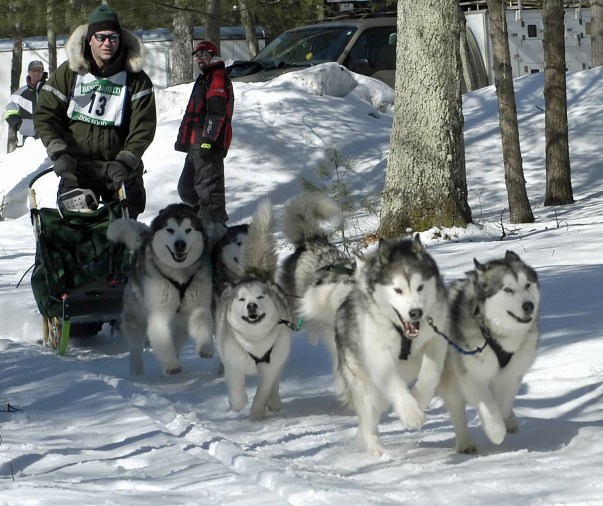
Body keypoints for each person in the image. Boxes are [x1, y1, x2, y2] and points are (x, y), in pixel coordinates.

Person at [34, 4, 156, 219]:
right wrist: (59, 152)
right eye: (100, 37)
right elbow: (46, 115)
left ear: (121, 39)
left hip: (119, 170)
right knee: (77, 233)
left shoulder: (136, 80)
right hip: (77, 168)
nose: (107, 43)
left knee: (122, 237)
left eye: (113, 37)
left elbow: (143, 127)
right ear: (89, 38)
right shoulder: (69, 73)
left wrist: (127, 161)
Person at [174, 40, 234, 239]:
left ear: (213, 56)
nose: (199, 58)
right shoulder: (205, 78)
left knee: (209, 193)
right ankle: (204, 224)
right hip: (195, 145)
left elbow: (216, 113)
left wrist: (208, 140)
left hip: (207, 145)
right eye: (197, 55)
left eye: (204, 54)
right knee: (186, 188)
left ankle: (217, 233)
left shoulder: (216, 77)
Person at [4, 60, 47, 150]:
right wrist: (21, 126)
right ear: (29, 72)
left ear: (43, 72)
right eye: (34, 70)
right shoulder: (20, 93)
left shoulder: (50, 90)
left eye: (39, 70)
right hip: (29, 138)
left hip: (49, 135)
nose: (36, 73)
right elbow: (9, 113)